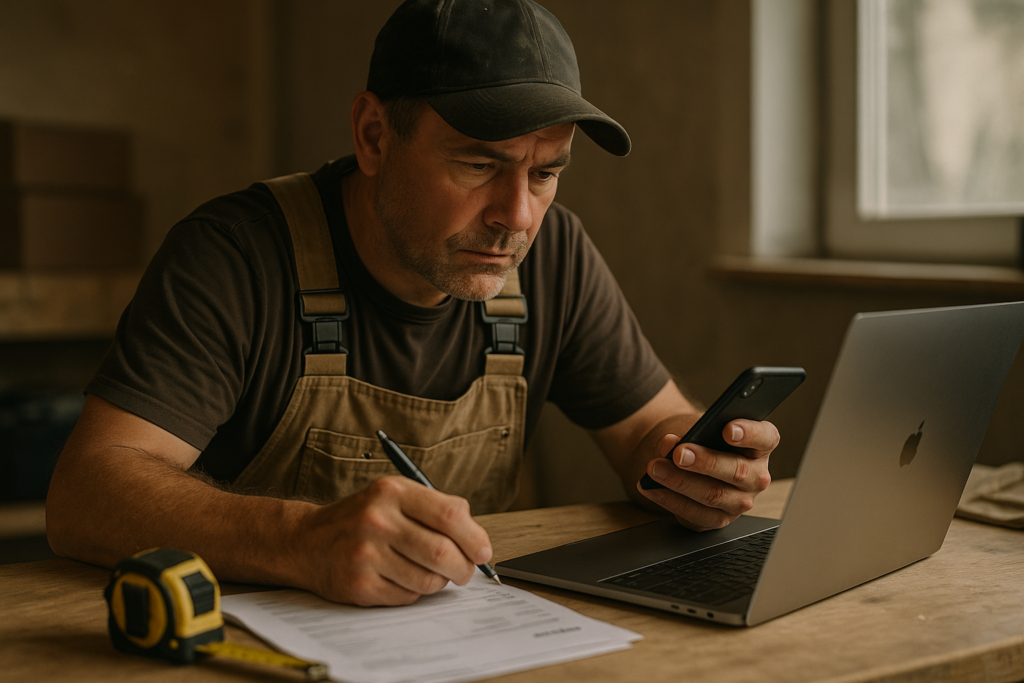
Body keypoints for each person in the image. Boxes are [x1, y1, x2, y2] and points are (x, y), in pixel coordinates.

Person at [46, 0, 779, 607]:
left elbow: (650, 425)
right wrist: (299, 540)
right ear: (373, 135)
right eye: (478, 163)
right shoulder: (236, 255)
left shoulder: (552, 252)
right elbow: (86, 490)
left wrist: (691, 464)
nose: (517, 215)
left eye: (547, 172)